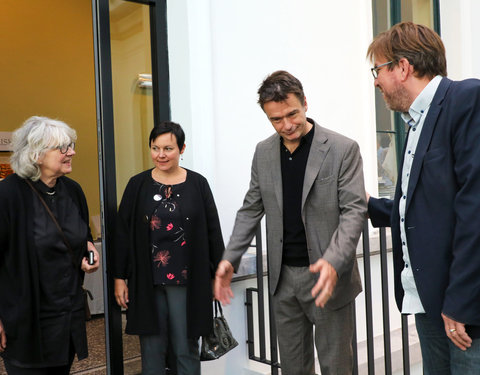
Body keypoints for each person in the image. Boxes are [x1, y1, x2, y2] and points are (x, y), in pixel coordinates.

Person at [215, 70, 366, 375]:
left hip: (327, 278)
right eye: (276, 119)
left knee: (336, 368)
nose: (286, 125)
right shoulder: (264, 152)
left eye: (292, 114)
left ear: (305, 103)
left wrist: (334, 262)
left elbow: (354, 211)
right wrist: (230, 258)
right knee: (293, 369)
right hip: (283, 282)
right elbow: (250, 209)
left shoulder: (342, 148)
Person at [366, 21, 480, 374]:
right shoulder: (415, 121)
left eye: (378, 70)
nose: (375, 81)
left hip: (462, 305)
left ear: (403, 67)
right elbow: (425, 207)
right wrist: (368, 204)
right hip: (425, 298)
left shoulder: (466, 99)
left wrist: (460, 302)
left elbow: (475, 208)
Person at [113, 121, 225, 375]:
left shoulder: (198, 184)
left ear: (182, 148)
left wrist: (219, 276)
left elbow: (212, 233)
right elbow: (122, 234)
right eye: (155, 148)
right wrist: (120, 277)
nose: (160, 155)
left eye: (168, 148)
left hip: (188, 282)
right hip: (146, 281)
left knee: (185, 346)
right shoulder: (137, 185)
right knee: (151, 348)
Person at [0, 116, 100, 374]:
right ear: (36, 154)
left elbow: (81, 234)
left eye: (71, 145)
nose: (72, 152)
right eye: (63, 148)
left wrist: (87, 249)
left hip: (66, 317)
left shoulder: (73, 191)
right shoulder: (8, 195)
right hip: (26, 319)